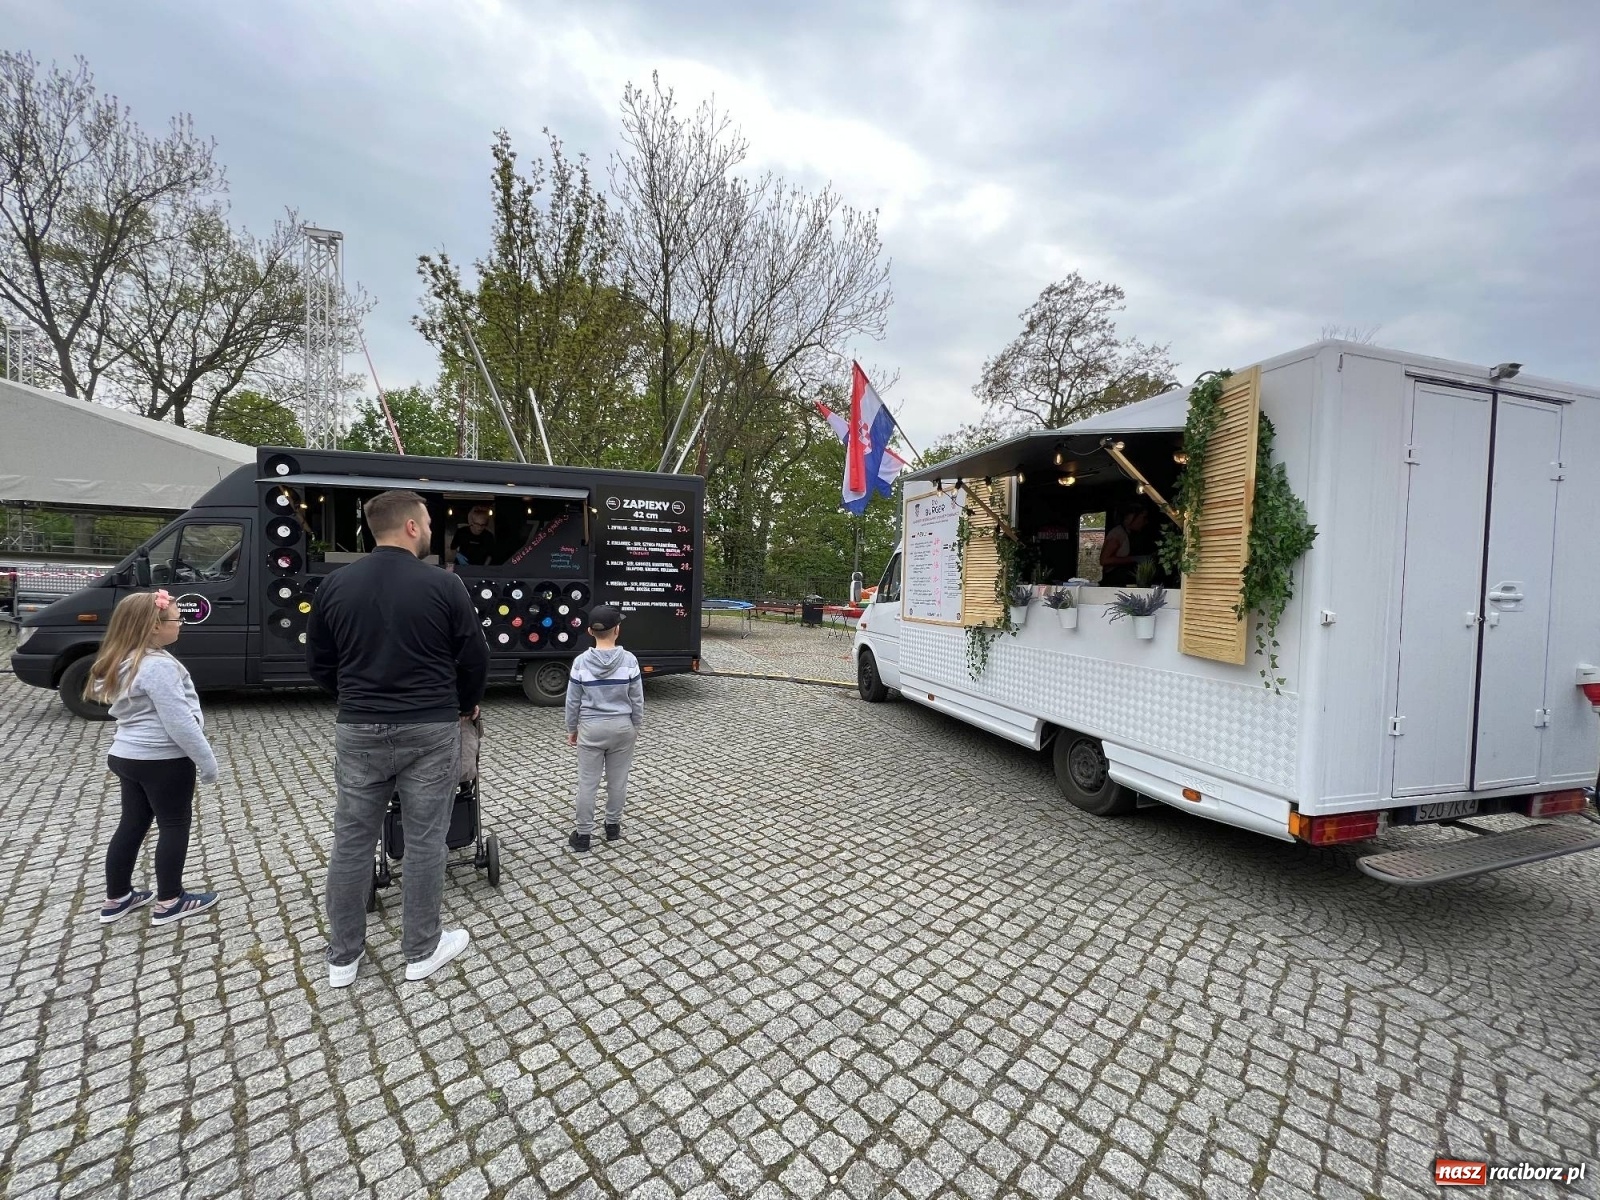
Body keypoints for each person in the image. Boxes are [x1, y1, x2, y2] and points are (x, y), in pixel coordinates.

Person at [306, 489, 490, 987]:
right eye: (428, 520)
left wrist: (353, 699)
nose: (431, 528)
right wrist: (465, 702)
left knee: (351, 840)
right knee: (426, 838)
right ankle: (422, 949)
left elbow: (319, 663)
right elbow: (473, 656)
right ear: (411, 526)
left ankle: (342, 958)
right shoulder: (444, 586)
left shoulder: (335, 586)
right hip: (430, 727)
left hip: (358, 726)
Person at [86, 589, 221, 926]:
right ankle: (170, 900)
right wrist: (206, 760)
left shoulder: (122, 658)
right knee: (175, 824)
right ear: (154, 626)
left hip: (126, 755)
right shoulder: (157, 666)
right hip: (162, 760)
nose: (182, 624)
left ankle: (117, 897)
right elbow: (178, 722)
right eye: (177, 618)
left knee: (132, 823)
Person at [565, 605, 644, 852]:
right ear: (617, 630)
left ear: (590, 631)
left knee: (588, 783)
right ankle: (612, 827)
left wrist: (572, 728)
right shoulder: (630, 660)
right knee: (617, 782)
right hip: (622, 728)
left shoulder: (580, 663)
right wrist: (635, 725)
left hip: (591, 728)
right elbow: (637, 698)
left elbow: (572, 700)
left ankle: (583, 836)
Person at [1099, 502, 1152, 587]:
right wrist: (1134, 559)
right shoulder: (1118, 534)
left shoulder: (1129, 533)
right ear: (1132, 517)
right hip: (1114, 583)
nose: (1146, 522)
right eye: (1143, 518)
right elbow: (1104, 560)